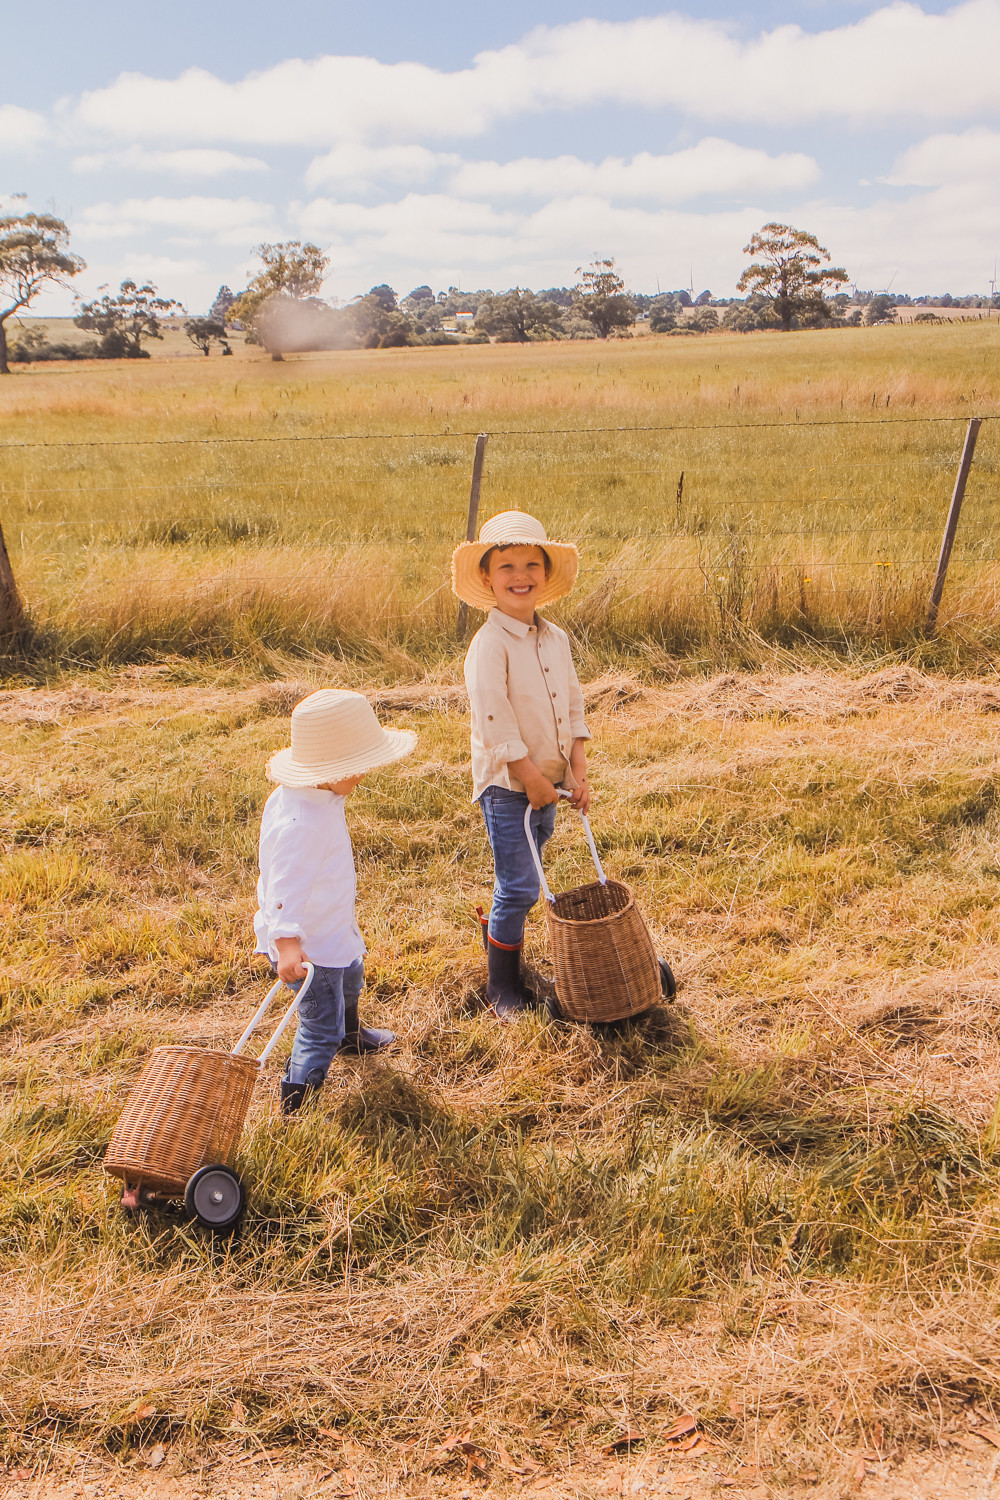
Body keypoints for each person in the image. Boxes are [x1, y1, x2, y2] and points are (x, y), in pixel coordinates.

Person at [452, 510, 591, 1021]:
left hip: (549, 783)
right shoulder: (489, 645)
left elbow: (572, 704)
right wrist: (530, 776)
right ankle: (501, 986)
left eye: (531, 563)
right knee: (521, 885)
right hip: (510, 785)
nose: (520, 574)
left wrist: (576, 766)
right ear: (488, 578)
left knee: (525, 873)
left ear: (545, 575)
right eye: (506, 565)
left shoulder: (555, 640)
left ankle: (498, 928)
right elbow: (494, 720)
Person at [255, 688, 416, 1112]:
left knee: (351, 980)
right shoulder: (302, 822)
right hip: (308, 947)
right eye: (355, 766)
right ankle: (298, 1099)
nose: (362, 774)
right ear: (326, 769)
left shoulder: (316, 795)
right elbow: (283, 883)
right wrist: (287, 943)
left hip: (332, 928)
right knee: (318, 1021)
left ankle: (350, 1035)